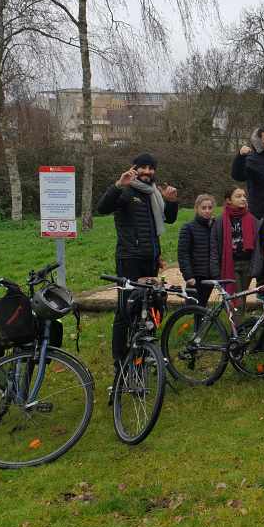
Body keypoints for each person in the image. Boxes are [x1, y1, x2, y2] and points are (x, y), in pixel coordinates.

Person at [97, 153, 179, 369]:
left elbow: (168, 220)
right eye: (143, 167)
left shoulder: (153, 194)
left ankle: (145, 350)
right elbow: (102, 208)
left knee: (151, 303)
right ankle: (120, 357)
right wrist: (117, 185)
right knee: (126, 307)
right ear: (134, 168)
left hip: (150, 259)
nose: (147, 172)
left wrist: (171, 202)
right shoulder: (125, 191)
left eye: (151, 168)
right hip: (129, 258)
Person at [210, 186, 259, 303]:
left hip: (247, 264)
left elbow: (257, 244)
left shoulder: (252, 219)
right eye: (238, 196)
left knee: (242, 296)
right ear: (228, 200)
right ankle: (238, 321)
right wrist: (215, 268)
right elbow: (214, 246)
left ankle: (238, 320)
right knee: (236, 298)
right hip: (231, 264)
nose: (243, 199)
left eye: (244, 196)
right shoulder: (220, 221)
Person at [231, 125, 264, 218]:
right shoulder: (252, 159)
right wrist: (240, 156)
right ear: (260, 141)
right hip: (259, 214)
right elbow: (238, 176)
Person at [177, 194, 217, 306]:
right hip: (195, 276)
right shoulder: (188, 228)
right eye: (203, 208)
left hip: (209, 275)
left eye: (210, 208)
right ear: (196, 209)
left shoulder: (215, 227)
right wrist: (188, 275)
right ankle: (185, 323)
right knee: (191, 306)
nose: (207, 211)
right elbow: (183, 253)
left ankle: (200, 323)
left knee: (203, 305)